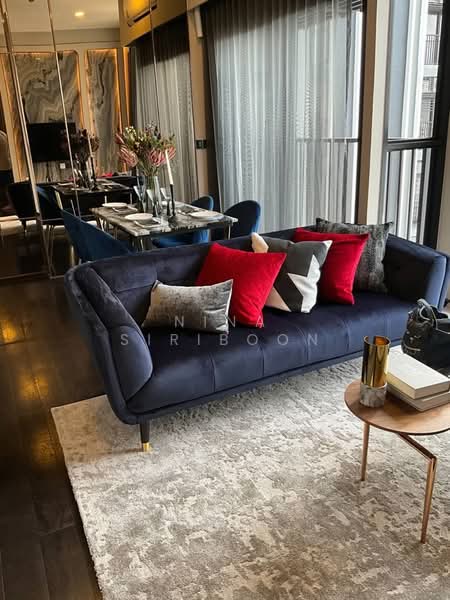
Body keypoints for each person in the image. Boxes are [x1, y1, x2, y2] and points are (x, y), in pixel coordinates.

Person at [0, 130, 14, 216]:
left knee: (6, 187)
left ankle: (10, 205)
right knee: (7, 187)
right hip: (7, 166)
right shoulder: (3, 134)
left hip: (2, 167)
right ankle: (10, 204)